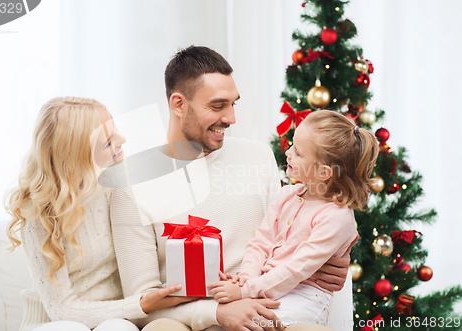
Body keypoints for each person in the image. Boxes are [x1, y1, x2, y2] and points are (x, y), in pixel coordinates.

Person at [110, 46, 354, 331]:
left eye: (232, 104)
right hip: (188, 320)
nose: (230, 118)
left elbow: (291, 231)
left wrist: (335, 258)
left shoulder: (258, 157)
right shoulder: (131, 184)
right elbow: (142, 302)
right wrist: (218, 314)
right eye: (217, 106)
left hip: (265, 309)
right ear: (178, 105)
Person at [5, 97, 193, 331]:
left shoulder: (118, 184)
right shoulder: (40, 209)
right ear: (77, 155)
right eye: (108, 142)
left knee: (118, 328)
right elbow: (62, 310)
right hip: (55, 322)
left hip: (115, 319)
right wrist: (140, 304)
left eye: (116, 130)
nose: (122, 140)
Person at [207, 110, 378, 328]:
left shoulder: (336, 217)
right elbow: (261, 242)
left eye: (297, 152)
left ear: (324, 172)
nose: (287, 153)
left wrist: (244, 291)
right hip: (268, 286)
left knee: (252, 324)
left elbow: (297, 269)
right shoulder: (287, 195)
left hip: (305, 298)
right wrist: (246, 278)